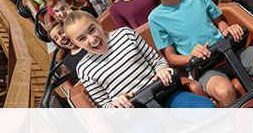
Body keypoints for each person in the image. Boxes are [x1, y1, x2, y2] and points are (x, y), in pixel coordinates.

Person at [63, 10, 214, 109]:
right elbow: (104, 106)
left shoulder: (125, 35)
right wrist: (116, 104)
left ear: (98, 24)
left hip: (164, 94)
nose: (92, 39)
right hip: (137, 114)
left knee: (205, 108)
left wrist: (161, 69)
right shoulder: (85, 69)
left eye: (92, 29)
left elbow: (156, 61)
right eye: (82, 39)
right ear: (76, 44)